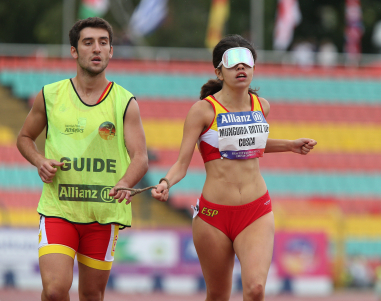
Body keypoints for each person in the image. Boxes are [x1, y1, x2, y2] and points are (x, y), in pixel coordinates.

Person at [151, 34, 317, 301]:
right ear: (218, 70)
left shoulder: (261, 106)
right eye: (233, 62)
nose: (241, 67)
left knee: (256, 290)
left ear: (253, 68)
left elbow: (252, 143)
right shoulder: (202, 111)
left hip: (256, 211)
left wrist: (290, 145)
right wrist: (165, 183)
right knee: (218, 295)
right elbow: (182, 164)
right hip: (213, 217)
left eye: (246, 62)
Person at [16, 17, 148, 301]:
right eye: (88, 43)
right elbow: (24, 138)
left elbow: (141, 157)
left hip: (103, 215)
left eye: (103, 43)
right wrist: (39, 160)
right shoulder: (50, 95)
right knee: (54, 291)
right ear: (74, 51)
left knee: (91, 294)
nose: (96, 49)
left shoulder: (125, 102)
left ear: (112, 51)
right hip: (58, 210)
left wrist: (126, 181)